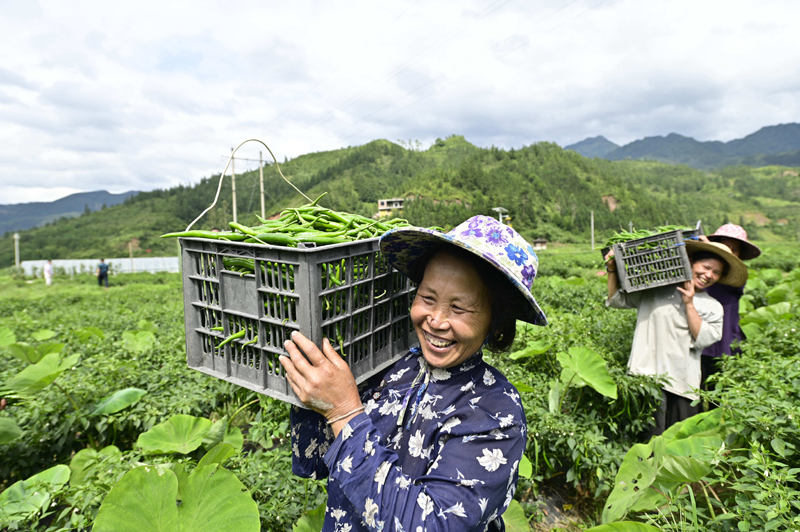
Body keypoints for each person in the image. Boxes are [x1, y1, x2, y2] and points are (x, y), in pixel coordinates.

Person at [280, 215, 547, 531]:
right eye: (428, 298)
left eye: (458, 308)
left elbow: (433, 524)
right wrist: (312, 388)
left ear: (496, 321)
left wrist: (343, 412)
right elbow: (314, 462)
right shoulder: (388, 366)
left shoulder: (496, 412)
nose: (435, 320)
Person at [605, 241, 747, 435]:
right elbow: (617, 300)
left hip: (683, 383)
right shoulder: (656, 289)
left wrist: (689, 303)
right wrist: (612, 270)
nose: (709, 275)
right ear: (690, 262)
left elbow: (703, 339)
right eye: (706, 267)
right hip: (647, 378)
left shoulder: (713, 306)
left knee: (676, 444)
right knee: (647, 443)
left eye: (716, 272)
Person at [699, 224, 761, 400]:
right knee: (695, 393)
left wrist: (715, 248)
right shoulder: (706, 271)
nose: (730, 253)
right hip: (700, 337)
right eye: (726, 247)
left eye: (735, 250)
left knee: (719, 396)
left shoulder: (735, 276)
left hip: (724, 341)